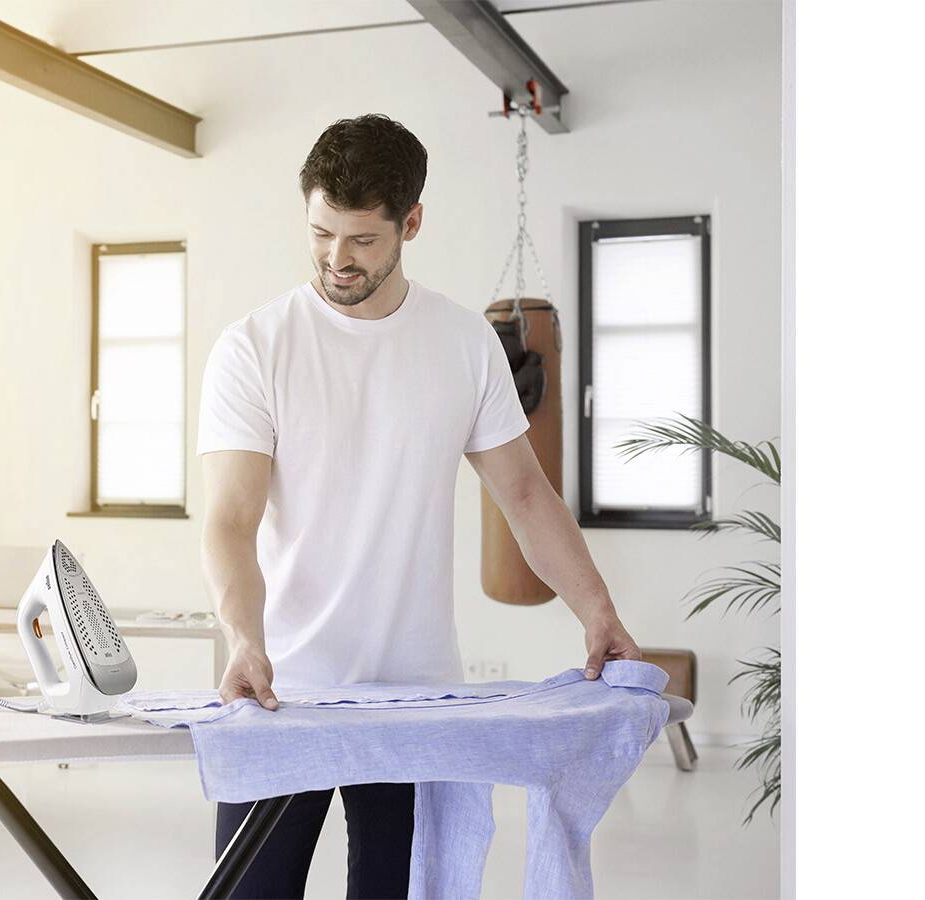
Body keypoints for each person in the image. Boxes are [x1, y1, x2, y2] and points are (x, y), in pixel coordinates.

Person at [197, 113, 642, 899]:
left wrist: (597, 612)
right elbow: (230, 520)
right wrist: (243, 638)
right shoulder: (255, 347)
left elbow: (527, 494)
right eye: (321, 232)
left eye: (363, 239)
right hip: (278, 689)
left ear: (411, 223)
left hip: (416, 695)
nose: (338, 257)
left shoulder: (463, 342)